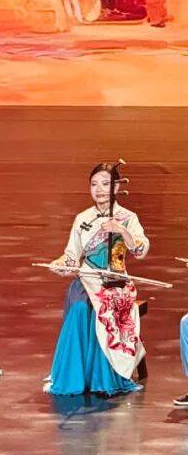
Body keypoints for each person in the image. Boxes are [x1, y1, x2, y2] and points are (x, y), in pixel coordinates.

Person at [45, 163, 149, 396]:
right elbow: (72, 256)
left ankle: (104, 377)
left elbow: (140, 250)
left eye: (105, 184)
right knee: (80, 308)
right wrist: (61, 264)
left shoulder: (128, 218)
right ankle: (76, 377)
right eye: (94, 184)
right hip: (87, 279)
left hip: (116, 283)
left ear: (116, 188)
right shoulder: (82, 218)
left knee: (104, 311)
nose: (99, 189)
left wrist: (121, 230)